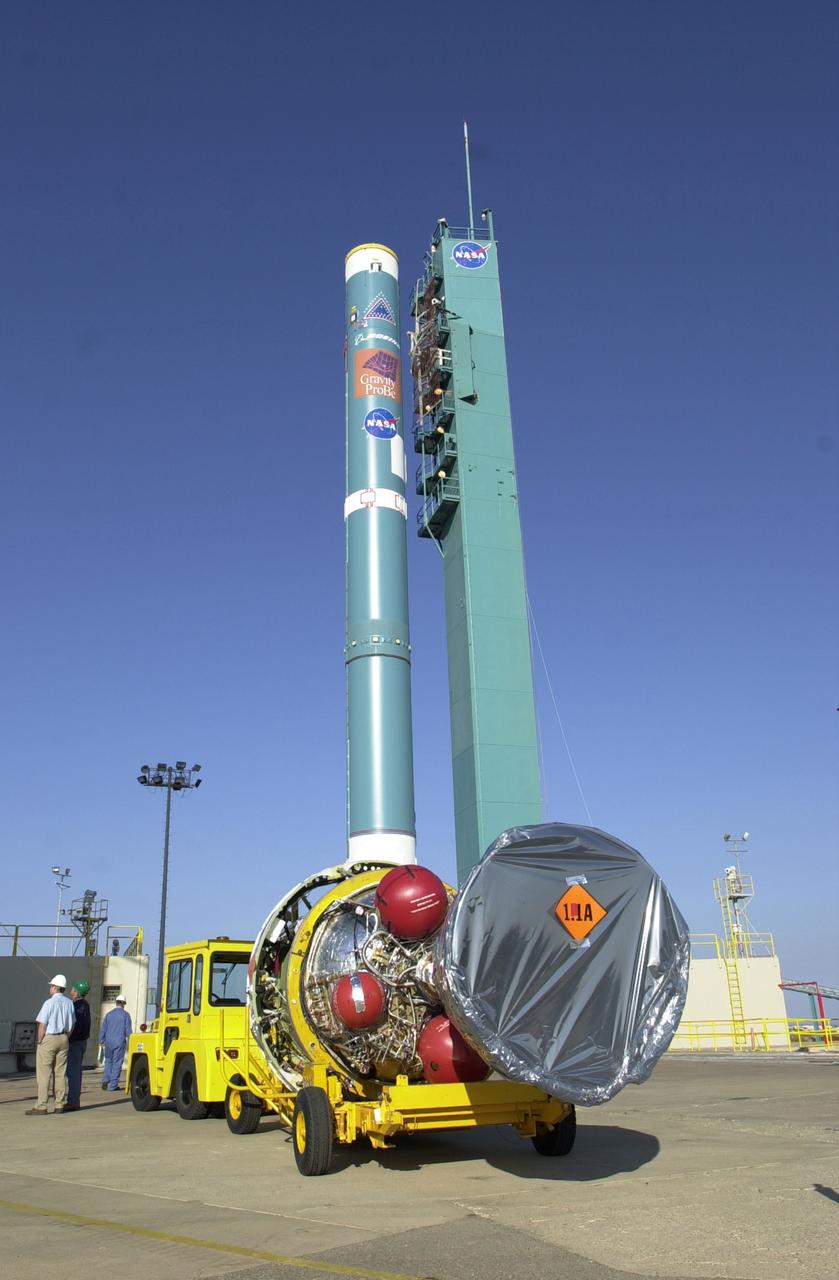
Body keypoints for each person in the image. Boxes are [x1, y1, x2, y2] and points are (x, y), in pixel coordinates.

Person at [26, 973, 75, 1115]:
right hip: (64, 1038)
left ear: (54, 987)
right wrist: (66, 1037)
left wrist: (39, 1041)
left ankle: (41, 1105)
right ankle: (59, 1104)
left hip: (49, 1038)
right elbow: (71, 1025)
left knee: (44, 1073)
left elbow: (42, 1024)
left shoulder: (49, 1003)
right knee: (60, 1072)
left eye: (51, 986)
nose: (50, 988)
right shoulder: (69, 1003)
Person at [65, 980, 91, 1111]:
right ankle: (73, 1100)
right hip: (80, 1042)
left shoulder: (78, 1006)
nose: (71, 991)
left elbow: (75, 1026)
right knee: (74, 1071)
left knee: (73, 1072)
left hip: (75, 1043)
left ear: (76, 991)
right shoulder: (85, 1005)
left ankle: (73, 1101)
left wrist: (67, 1036)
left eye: (73, 989)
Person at [99, 994, 132, 1091]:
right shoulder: (126, 1015)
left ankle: (105, 1080)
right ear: (123, 1004)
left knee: (108, 1061)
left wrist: (101, 1040)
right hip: (119, 1042)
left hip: (108, 1042)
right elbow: (128, 1031)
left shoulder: (109, 1014)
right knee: (117, 1063)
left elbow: (103, 1029)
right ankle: (113, 1085)